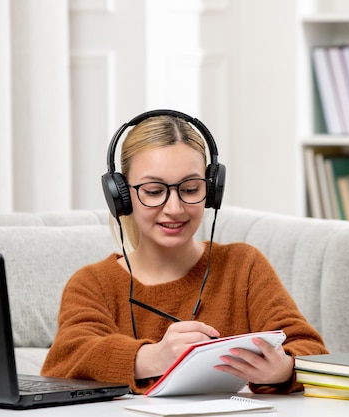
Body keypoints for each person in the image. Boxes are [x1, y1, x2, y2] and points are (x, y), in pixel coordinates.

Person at [41, 110, 328, 394]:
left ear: (211, 190)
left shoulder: (243, 266)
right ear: (122, 197)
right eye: (154, 191)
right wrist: (156, 357)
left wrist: (284, 369)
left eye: (190, 189)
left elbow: (312, 351)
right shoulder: (93, 284)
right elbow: (67, 360)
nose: (174, 208)